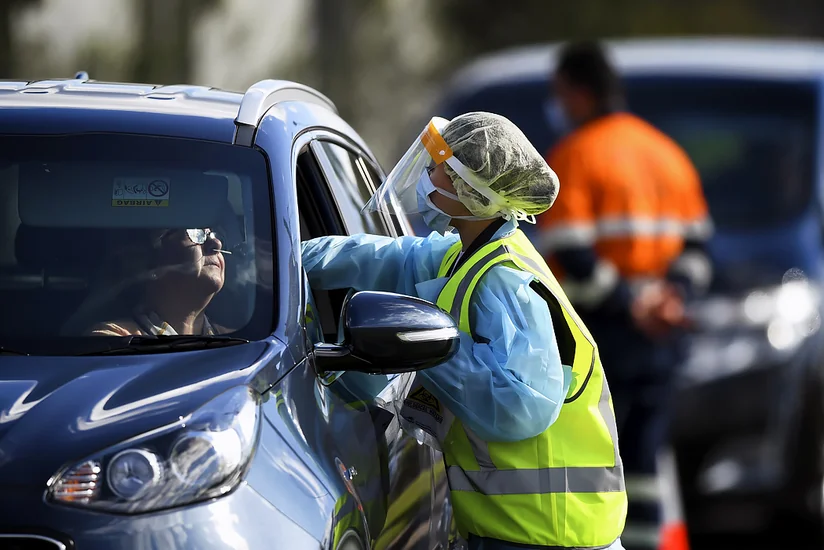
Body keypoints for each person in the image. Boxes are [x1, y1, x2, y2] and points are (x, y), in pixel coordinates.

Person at [302, 112, 627, 550]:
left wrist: (432, 350)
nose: (425, 177)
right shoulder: (467, 254)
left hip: (548, 535)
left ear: (468, 189)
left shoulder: (505, 278)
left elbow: (520, 405)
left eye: (435, 167)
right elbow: (386, 257)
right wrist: (285, 259)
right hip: (515, 531)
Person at [536, 41, 713, 549]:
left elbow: (570, 249)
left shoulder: (575, 155)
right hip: (662, 337)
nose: (558, 105)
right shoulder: (667, 154)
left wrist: (631, 304)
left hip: (603, 335)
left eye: (560, 93)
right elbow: (698, 246)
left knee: (596, 459)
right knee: (643, 460)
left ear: (578, 92)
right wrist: (670, 298)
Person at [85, 227, 229, 336]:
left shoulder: (238, 341)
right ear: (148, 261)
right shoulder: (111, 340)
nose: (216, 244)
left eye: (214, 235)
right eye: (196, 232)